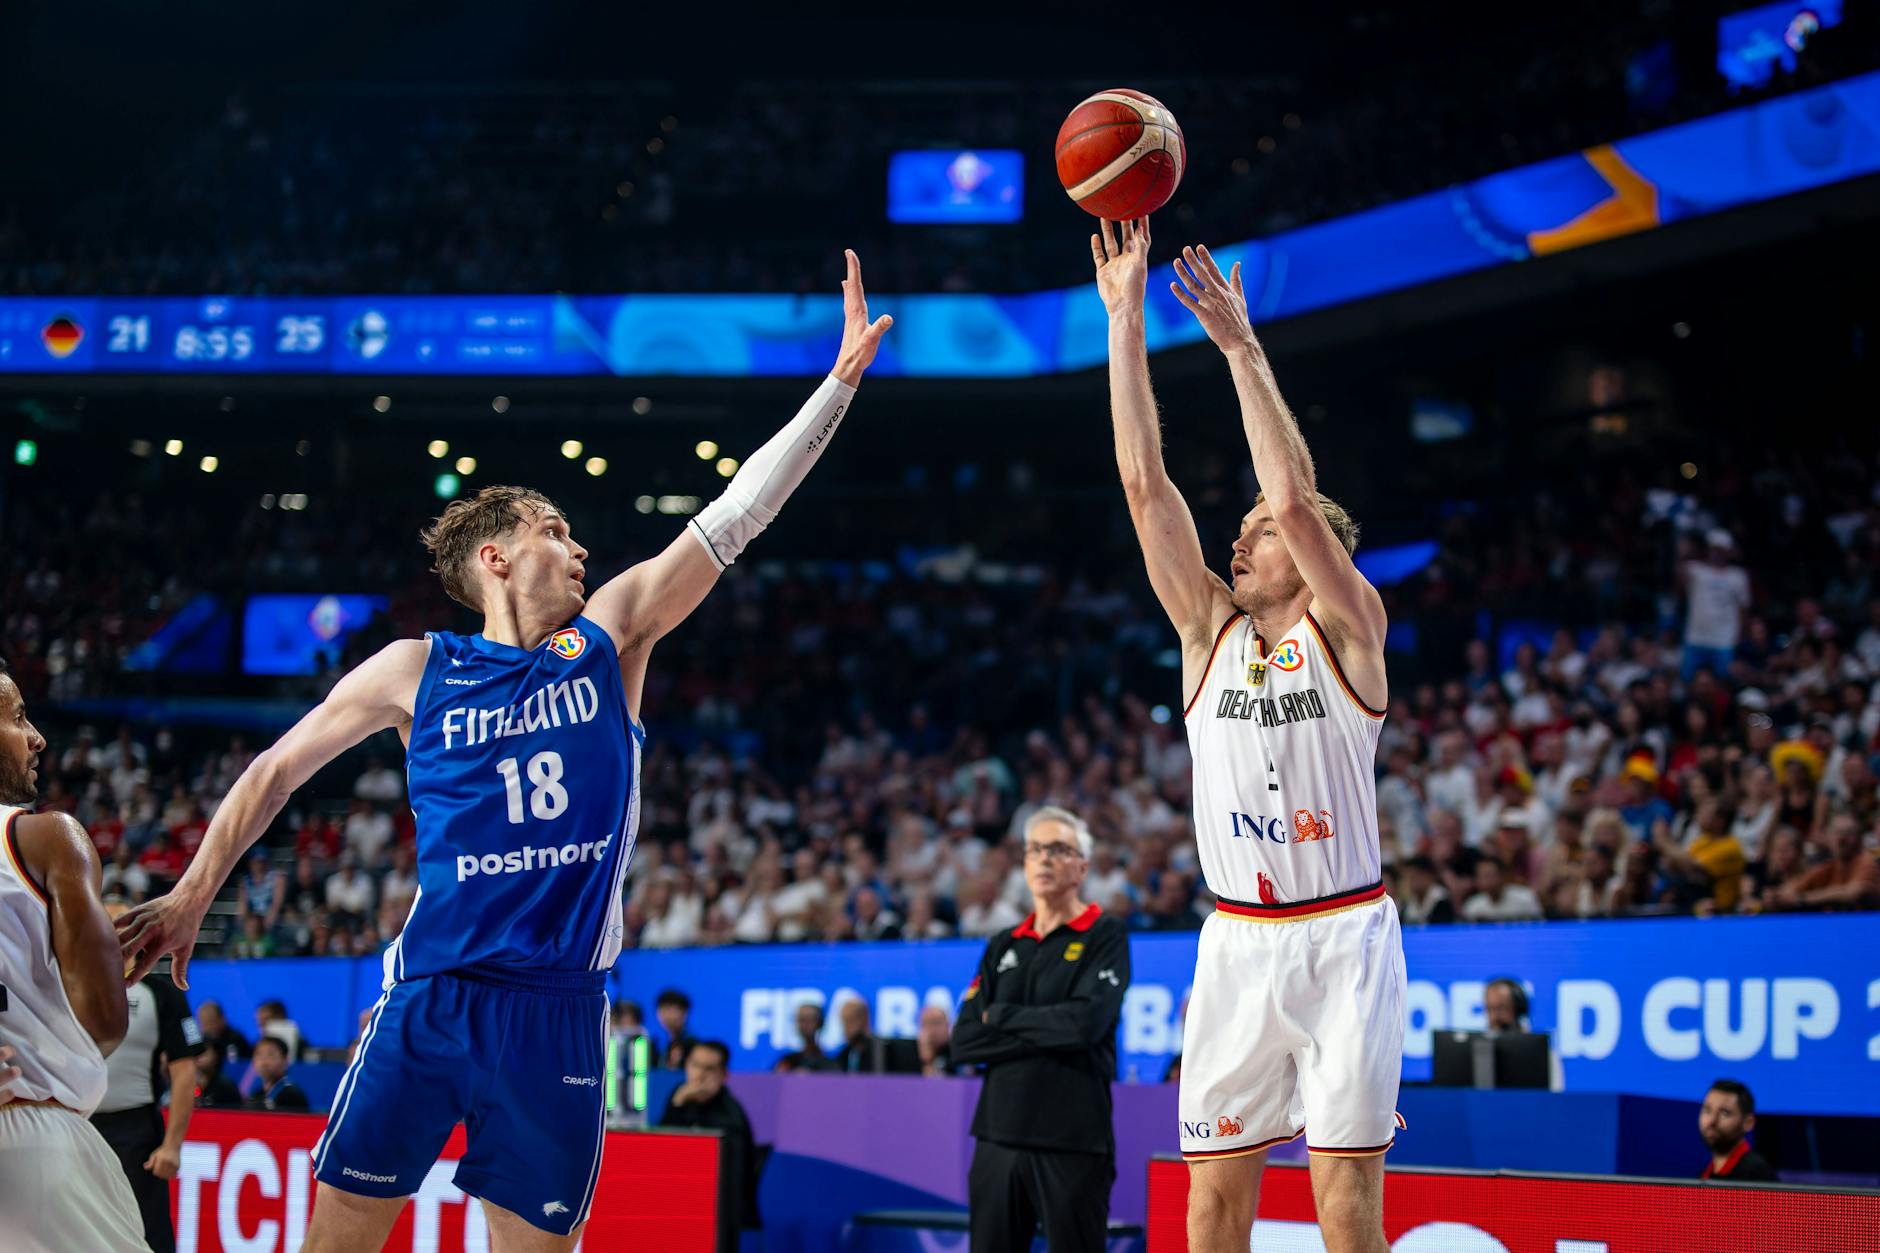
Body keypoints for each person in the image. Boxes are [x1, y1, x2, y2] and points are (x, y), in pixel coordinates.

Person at [115, 252, 896, 1252]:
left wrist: (835, 387)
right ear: (494, 556)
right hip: (428, 994)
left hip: (556, 1008)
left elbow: (735, 514)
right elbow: (273, 771)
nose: (580, 549)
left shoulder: (608, 636)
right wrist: (190, 894)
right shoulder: (412, 668)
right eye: (555, 530)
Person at [1096, 216, 1404, 1253]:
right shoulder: (1203, 633)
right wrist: (1124, 322)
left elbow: (1291, 497)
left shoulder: (1351, 628)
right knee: (1211, 1199)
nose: (1240, 532)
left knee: (1341, 1198)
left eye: (1258, 532)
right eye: (1242, 530)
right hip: (1236, 937)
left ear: (1317, 553)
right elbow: (1144, 485)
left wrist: (1239, 348)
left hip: (1344, 934)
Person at [0, 663, 147, 1251]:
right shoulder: (44, 836)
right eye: (16, 718)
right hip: (32, 1133)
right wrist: (109, 956)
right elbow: (104, 1023)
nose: (36, 736)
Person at [952, 806, 1130, 1253]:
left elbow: (1085, 1026)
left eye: (1058, 850)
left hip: (1073, 1140)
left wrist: (1003, 1016)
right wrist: (1047, 1026)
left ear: (1082, 867)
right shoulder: (1003, 943)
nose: (1044, 860)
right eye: (1035, 850)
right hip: (997, 1137)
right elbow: (965, 1039)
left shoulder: (1104, 934)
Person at [92, 898, 207, 1253]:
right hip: (77, 1124)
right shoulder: (72, 985)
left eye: (123, 925)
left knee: (147, 1236)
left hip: (136, 1132)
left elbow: (185, 1073)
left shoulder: (162, 994)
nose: (115, 933)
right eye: (107, 924)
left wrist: (172, 1146)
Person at [657, 1040, 760, 1232]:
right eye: (695, 1065)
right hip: (676, 1200)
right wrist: (678, 1104)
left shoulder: (730, 1114)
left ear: (724, 1074)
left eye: (709, 1069)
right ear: (686, 1065)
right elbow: (661, 1154)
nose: (700, 1075)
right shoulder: (680, 1096)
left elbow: (729, 1176)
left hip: (719, 1213)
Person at [1679, 530, 1750, 683]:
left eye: (1721, 550)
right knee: (1689, 681)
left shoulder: (1738, 576)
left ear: (1728, 552)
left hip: (1724, 640)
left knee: (1724, 681)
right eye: (1714, 549)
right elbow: (1677, 585)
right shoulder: (1696, 570)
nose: (1717, 554)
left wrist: (1740, 636)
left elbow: (1743, 609)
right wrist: (1683, 554)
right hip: (1696, 638)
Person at [1698, 1079, 1778, 1182]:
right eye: (1707, 1110)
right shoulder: (1703, 1176)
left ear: (1748, 1123)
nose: (1712, 1121)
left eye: (1725, 1113)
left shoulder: (1758, 1175)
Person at [1460, 857, 1545, 922]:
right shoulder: (1473, 906)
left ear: (1502, 876)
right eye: (1482, 877)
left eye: (1489, 875)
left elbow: (1539, 928)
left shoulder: (1526, 898)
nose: (1486, 881)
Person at [245, 1036, 310, 1111]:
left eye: (270, 1055)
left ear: (285, 1061)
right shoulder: (256, 1094)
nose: (264, 1061)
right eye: (259, 1054)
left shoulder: (292, 1096)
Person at [774, 1002, 834, 1073]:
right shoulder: (786, 1062)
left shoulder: (832, 1062)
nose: (804, 1025)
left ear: (820, 1023)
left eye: (809, 1019)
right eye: (801, 1020)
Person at [655, 987, 698, 1069]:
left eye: (672, 1009)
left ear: (685, 1013)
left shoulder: (692, 1045)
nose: (667, 1015)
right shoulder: (657, 1044)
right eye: (663, 1010)